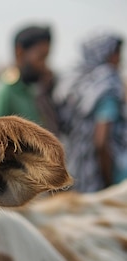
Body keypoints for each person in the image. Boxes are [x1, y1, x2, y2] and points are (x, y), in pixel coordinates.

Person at [53, 31, 126, 192]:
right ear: (105, 54)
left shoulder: (73, 80)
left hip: (74, 166)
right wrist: (109, 183)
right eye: (116, 53)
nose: (120, 59)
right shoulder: (106, 84)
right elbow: (101, 142)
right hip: (100, 173)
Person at [0, 25, 58, 134]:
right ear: (20, 52)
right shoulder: (3, 94)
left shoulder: (31, 90)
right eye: (41, 57)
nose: (45, 66)